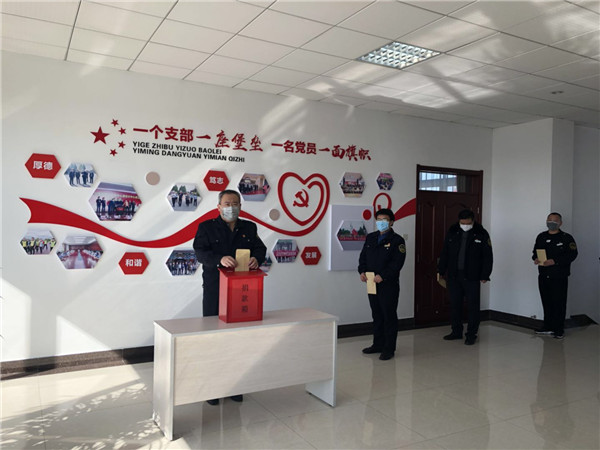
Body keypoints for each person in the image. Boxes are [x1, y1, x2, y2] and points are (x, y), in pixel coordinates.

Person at [193, 189, 266, 404]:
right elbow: (200, 253)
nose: (231, 207)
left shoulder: (249, 227)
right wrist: (219, 259)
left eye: (235, 203)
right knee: (213, 336)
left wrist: (256, 259)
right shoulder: (206, 227)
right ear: (218, 207)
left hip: (242, 289)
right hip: (215, 288)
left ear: (240, 206)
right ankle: (212, 388)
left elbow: (260, 249)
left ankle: (235, 384)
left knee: (238, 337)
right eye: (227, 204)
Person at [438, 209, 493, 345]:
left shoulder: (481, 233)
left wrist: (485, 274)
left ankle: (471, 334)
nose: (465, 225)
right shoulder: (453, 231)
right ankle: (456, 331)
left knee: (473, 306)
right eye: (462, 223)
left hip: (472, 276)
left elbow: (488, 256)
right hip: (454, 275)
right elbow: (445, 252)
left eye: (467, 223)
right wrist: (440, 270)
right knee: (455, 305)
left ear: (472, 221)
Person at [358, 208, 406, 360]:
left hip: (388, 284)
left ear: (391, 222)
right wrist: (362, 271)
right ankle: (377, 344)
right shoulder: (371, 237)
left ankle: (389, 348)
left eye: (384, 220)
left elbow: (397, 263)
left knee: (388, 315)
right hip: (371, 283)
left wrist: (383, 276)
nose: (381, 223)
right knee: (376, 314)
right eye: (378, 220)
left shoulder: (397, 240)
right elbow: (363, 257)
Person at [532, 212, 578, 339]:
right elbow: (535, 252)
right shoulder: (541, 236)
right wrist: (536, 259)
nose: (551, 222)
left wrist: (555, 261)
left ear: (560, 223)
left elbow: (572, 254)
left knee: (559, 302)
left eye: (554, 220)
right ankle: (547, 326)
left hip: (559, 276)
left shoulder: (566, 238)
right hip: (543, 275)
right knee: (546, 302)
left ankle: (558, 329)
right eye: (549, 220)